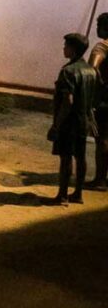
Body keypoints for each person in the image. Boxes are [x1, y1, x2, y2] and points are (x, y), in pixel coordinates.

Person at [48, 33, 98, 205]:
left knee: (66, 157)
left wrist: (56, 125)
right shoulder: (91, 71)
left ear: (73, 49)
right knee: (81, 156)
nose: (64, 48)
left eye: (66, 46)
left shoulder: (68, 71)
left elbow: (67, 102)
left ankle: (62, 195)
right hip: (84, 120)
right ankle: (78, 193)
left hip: (69, 123)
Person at [89, 13, 108, 190]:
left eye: (99, 25)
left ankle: (101, 179)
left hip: (105, 100)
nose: (96, 28)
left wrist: (100, 83)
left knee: (103, 139)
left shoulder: (102, 46)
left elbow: (93, 68)